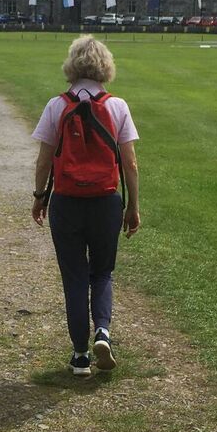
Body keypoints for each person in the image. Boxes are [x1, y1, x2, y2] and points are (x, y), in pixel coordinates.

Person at [31, 36, 140, 376]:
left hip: (66, 201)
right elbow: (130, 163)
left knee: (74, 276)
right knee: (102, 271)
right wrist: (132, 206)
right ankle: (103, 332)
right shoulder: (117, 106)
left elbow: (45, 159)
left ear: (72, 65)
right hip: (106, 200)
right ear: (105, 66)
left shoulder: (56, 105)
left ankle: (80, 356)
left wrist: (39, 197)